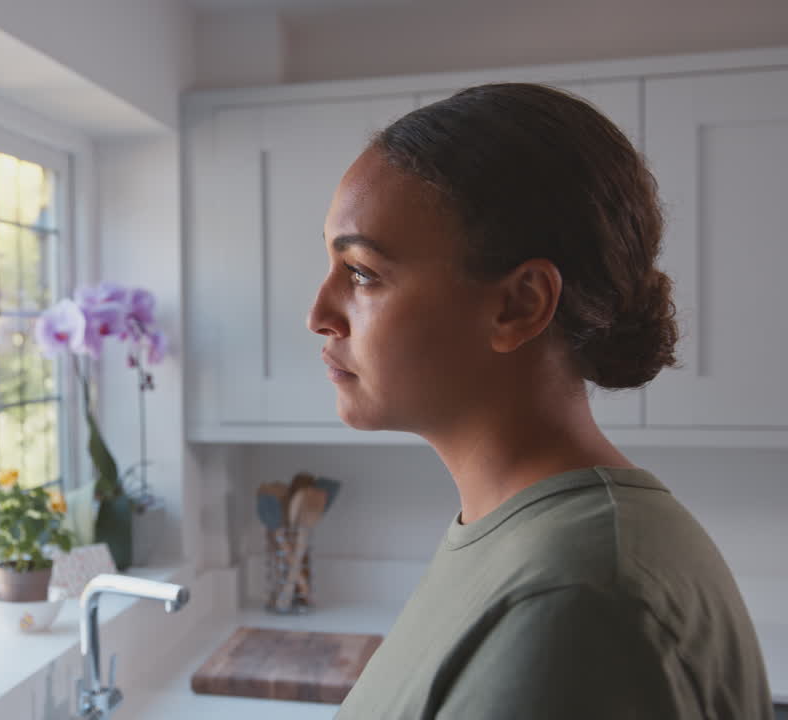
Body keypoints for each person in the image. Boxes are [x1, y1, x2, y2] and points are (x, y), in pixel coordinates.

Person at [309, 83, 773, 719]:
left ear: (519, 304)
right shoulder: (524, 542)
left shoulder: (578, 601)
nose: (320, 315)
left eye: (362, 273)